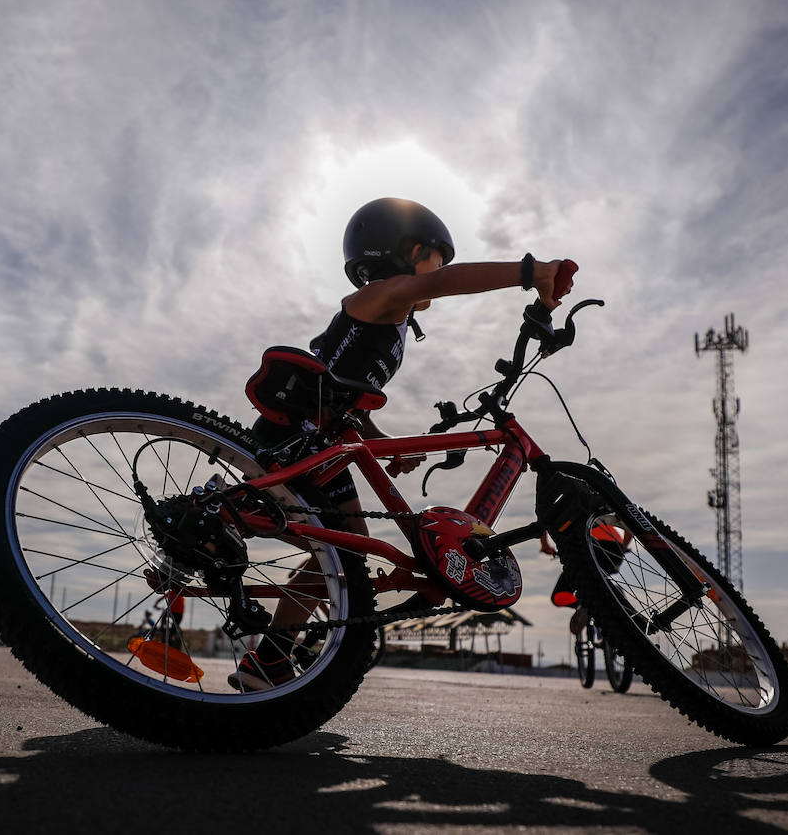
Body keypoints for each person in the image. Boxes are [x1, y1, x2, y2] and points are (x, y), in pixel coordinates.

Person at [231, 196, 574, 690]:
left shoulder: (391, 319)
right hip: (298, 440)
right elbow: (439, 283)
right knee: (335, 554)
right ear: (409, 251)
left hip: (324, 445)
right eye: (439, 257)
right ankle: (221, 550)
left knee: (337, 557)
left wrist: (384, 443)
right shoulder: (380, 296)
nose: (441, 269)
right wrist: (532, 271)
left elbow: (343, 396)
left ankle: (272, 660)